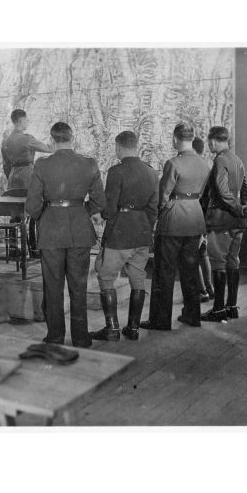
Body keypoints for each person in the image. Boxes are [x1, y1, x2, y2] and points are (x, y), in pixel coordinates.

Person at [26, 122, 106, 348]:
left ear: (52, 140)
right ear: (73, 138)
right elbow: (100, 201)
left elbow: (32, 206)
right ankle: (81, 337)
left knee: (53, 286)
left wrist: (47, 215)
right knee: (78, 286)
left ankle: (55, 336)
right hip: (79, 231)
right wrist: (81, 212)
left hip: (51, 231)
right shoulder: (88, 163)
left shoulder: (42, 165)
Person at [140, 123, 210, 331]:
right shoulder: (204, 164)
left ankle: (160, 320)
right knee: (190, 270)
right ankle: (192, 315)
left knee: (164, 272)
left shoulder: (173, 163)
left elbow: (162, 197)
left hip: (173, 220)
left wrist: (160, 216)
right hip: (195, 219)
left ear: (175, 139)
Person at [91, 131, 159, 341]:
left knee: (105, 275)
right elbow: (154, 207)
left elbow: (109, 207)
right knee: (138, 278)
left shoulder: (116, 171)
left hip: (120, 232)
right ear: (136, 146)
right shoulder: (151, 172)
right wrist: (145, 226)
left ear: (119, 147)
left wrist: (102, 216)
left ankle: (112, 328)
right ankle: (133, 328)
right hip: (142, 233)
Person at [201, 126, 247, 322]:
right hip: (238, 223)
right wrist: (245, 208)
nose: (209, 145)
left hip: (221, 220)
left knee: (218, 263)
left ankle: (218, 310)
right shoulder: (237, 160)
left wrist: (238, 208)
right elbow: (245, 189)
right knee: (233, 261)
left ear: (214, 141)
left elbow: (223, 192)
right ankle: (232, 307)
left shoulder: (221, 159)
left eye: (209, 142)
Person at [1, 109, 52, 190]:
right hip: (27, 177)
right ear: (21, 120)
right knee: (28, 200)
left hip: (12, 178)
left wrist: (10, 176)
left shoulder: (5, 142)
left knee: (13, 200)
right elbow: (49, 149)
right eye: (26, 119)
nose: (27, 121)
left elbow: (6, 166)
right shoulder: (27, 139)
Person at [192, 136, 214, 302]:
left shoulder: (195, 167)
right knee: (203, 254)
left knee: (192, 255)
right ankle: (210, 288)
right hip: (206, 216)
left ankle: (202, 291)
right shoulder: (207, 166)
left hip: (196, 216)